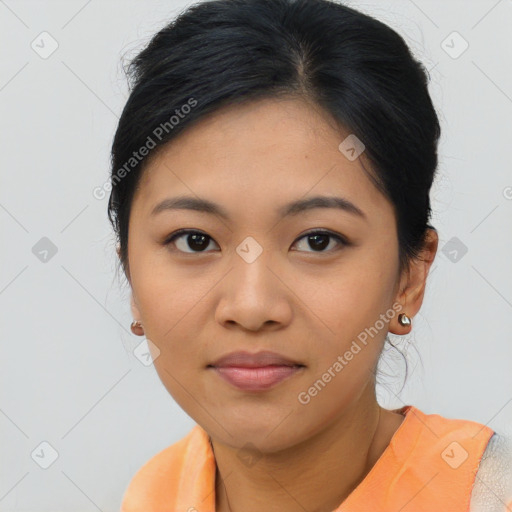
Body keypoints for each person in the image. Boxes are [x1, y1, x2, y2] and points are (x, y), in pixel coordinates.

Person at [107, 0, 512, 510]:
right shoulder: (156, 493)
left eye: (318, 240)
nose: (252, 307)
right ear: (131, 275)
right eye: (195, 240)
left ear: (410, 276)